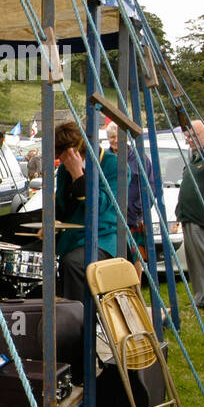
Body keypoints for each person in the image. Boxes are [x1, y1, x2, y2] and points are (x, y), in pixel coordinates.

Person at [54, 121, 118, 303]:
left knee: (73, 263)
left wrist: (78, 175)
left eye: (61, 155)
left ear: (73, 151)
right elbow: (61, 206)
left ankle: (79, 316)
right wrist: (51, 222)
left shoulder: (113, 165)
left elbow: (100, 206)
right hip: (71, 238)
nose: (60, 160)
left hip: (103, 239)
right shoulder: (64, 170)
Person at [178, 119, 204, 312]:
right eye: (187, 136)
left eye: (193, 135)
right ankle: (203, 299)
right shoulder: (197, 156)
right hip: (191, 218)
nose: (189, 140)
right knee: (196, 263)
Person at [105, 123, 153, 276]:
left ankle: (135, 287)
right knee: (112, 257)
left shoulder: (140, 159)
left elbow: (150, 187)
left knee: (135, 257)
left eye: (118, 137)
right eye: (111, 137)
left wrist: (137, 210)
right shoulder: (104, 159)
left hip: (133, 218)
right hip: (110, 218)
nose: (115, 141)